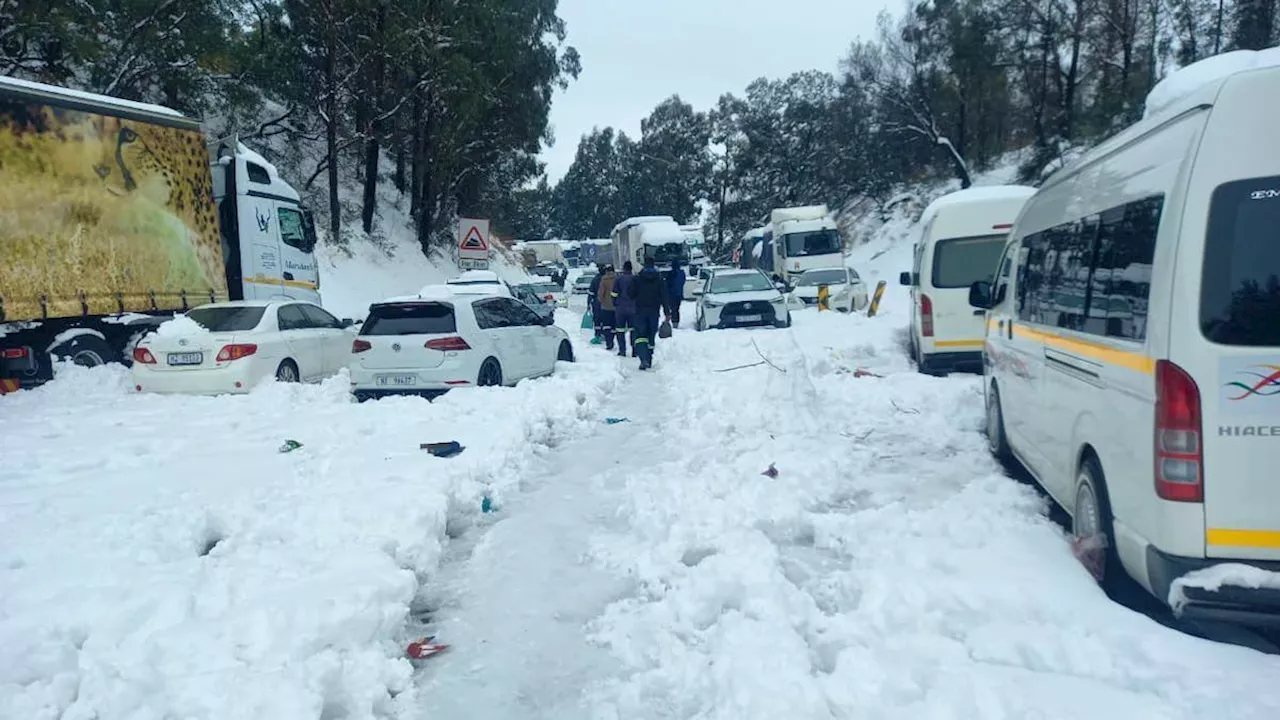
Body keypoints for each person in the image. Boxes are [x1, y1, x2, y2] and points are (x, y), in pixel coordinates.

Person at [628, 257, 672, 370]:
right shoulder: (659, 279)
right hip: (654, 312)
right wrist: (667, 312)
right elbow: (664, 297)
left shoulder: (638, 278)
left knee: (640, 336)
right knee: (651, 335)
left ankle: (643, 359)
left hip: (640, 312)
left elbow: (631, 294)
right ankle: (649, 358)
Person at [612, 261, 637, 357]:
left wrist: (615, 303)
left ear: (624, 269)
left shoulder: (619, 279)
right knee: (633, 330)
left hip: (620, 309)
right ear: (631, 269)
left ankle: (622, 350)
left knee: (620, 330)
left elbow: (614, 293)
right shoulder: (635, 279)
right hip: (633, 309)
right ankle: (635, 350)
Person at [595, 265, 618, 350]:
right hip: (616, 307)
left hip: (606, 307)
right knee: (614, 326)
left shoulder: (604, 280)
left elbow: (601, 294)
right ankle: (612, 338)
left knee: (606, 325)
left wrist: (600, 301)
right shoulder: (617, 279)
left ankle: (609, 342)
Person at [665, 259, 687, 328]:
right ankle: (676, 322)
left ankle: (674, 322)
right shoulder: (682, 273)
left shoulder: (671, 274)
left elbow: (667, 284)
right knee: (676, 309)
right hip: (679, 294)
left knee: (673, 309)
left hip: (671, 294)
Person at [587, 263, 605, 341]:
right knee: (606, 319)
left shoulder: (595, 279)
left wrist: (588, 303)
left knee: (597, 319)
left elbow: (591, 293)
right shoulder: (607, 279)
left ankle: (598, 334)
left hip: (597, 303)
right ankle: (606, 334)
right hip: (607, 303)